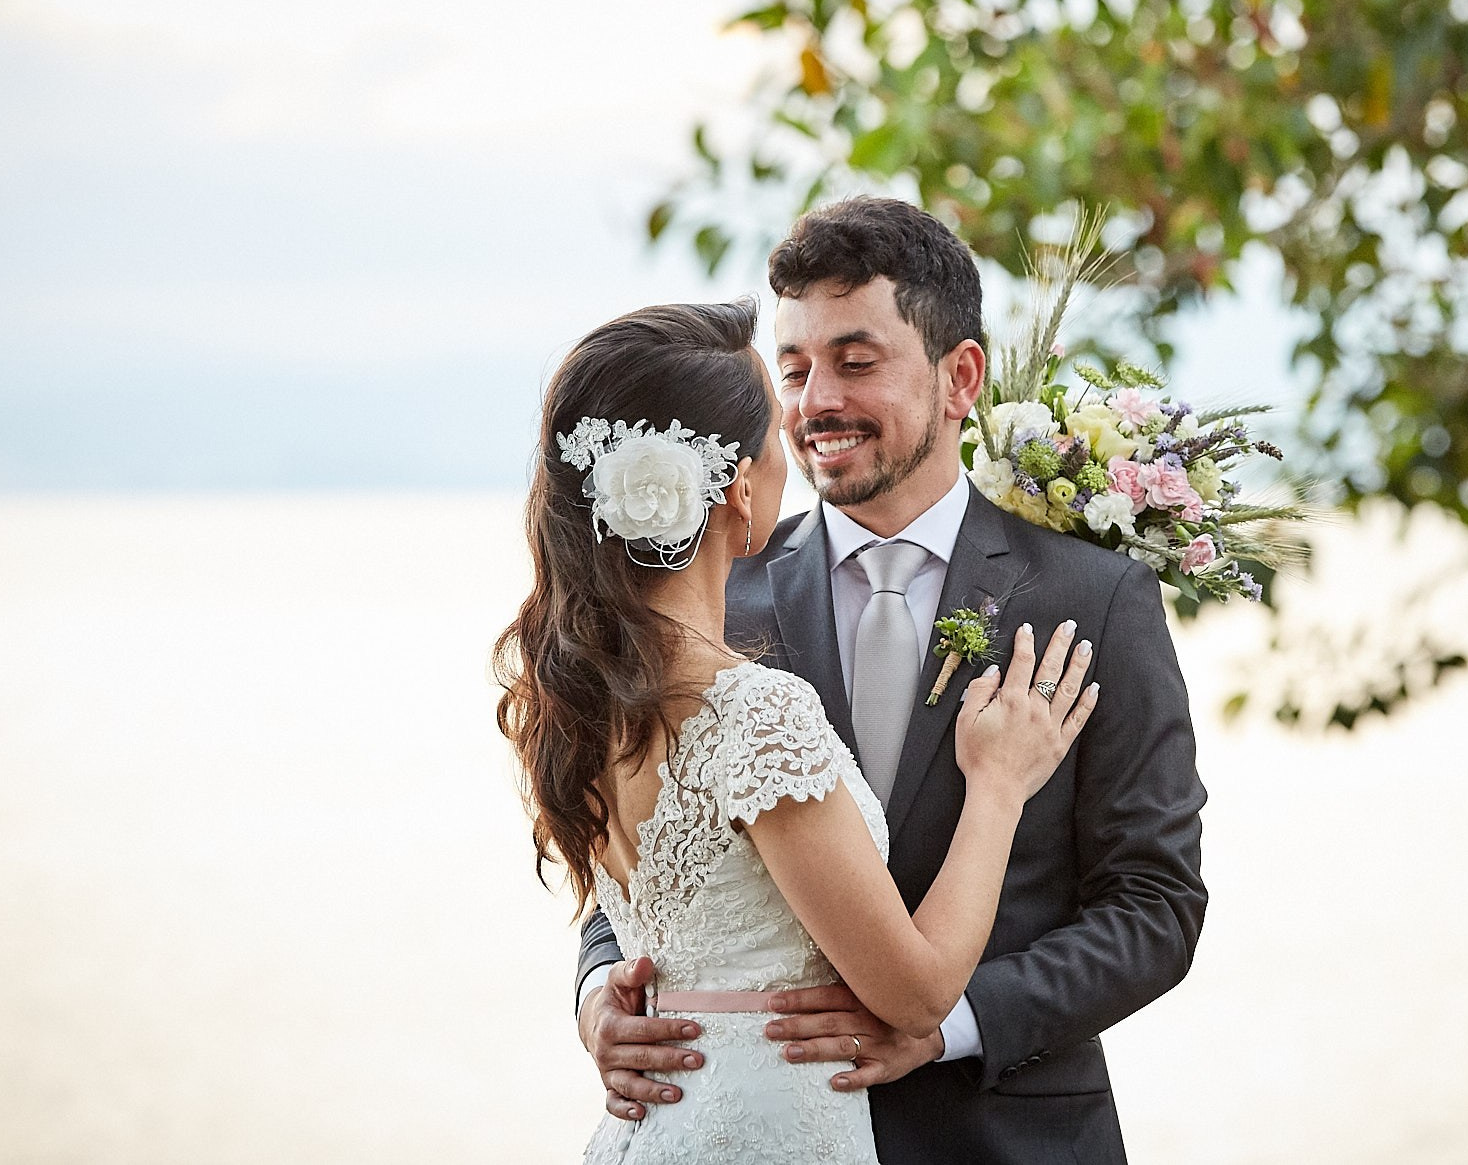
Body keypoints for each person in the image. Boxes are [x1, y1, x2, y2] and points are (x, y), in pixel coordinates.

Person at [576, 197, 1208, 1164]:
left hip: (1009, 1138)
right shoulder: (707, 605)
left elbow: (1156, 903)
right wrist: (598, 1000)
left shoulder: (1095, 598)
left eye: (855, 361)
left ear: (961, 377)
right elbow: (641, 861)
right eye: (793, 370)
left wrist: (948, 1023)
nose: (814, 400)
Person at [496, 297, 1098, 1164]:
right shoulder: (754, 708)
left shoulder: (586, 698)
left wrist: (611, 995)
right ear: (739, 486)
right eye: (782, 410)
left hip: (651, 1132)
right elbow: (919, 992)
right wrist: (998, 788)